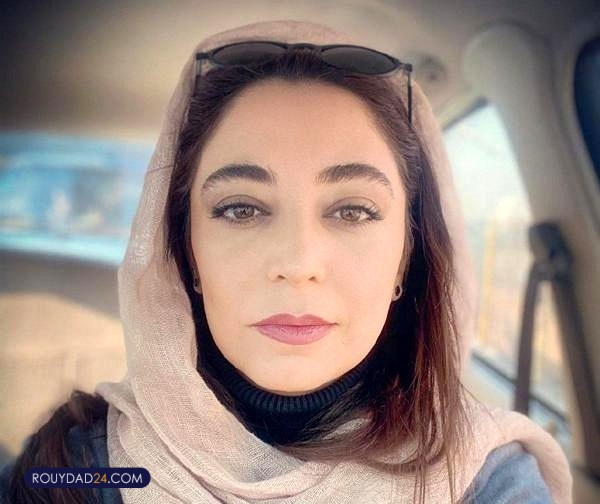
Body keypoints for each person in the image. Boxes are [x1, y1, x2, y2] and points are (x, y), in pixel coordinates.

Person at [0, 19, 572, 503]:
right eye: (241, 209)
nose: (298, 263)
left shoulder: (484, 479)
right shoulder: (86, 466)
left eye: (353, 211)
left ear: (405, 259)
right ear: (187, 253)